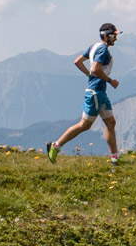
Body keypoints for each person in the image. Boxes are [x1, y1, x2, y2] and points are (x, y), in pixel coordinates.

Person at [46, 22, 122, 164]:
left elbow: (77, 61)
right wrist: (110, 81)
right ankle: (55, 146)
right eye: (113, 35)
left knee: (110, 122)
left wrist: (89, 76)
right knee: (84, 125)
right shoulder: (103, 50)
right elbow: (95, 69)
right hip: (96, 92)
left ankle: (114, 157)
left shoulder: (94, 47)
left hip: (99, 92)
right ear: (105, 36)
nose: (115, 38)